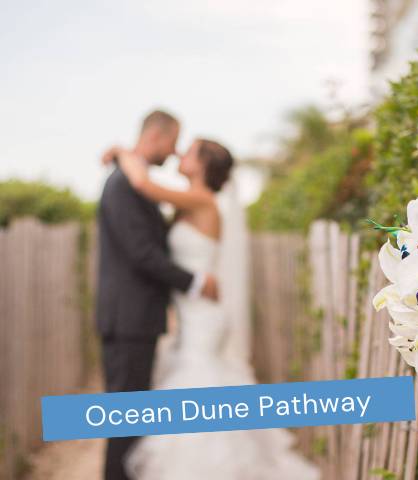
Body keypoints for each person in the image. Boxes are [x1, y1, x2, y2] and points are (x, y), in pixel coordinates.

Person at [104, 136, 320, 480]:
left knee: (198, 385)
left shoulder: (202, 200)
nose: (179, 153)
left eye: (187, 151)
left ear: (202, 165)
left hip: (203, 318)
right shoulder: (189, 204)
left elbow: (142, 182)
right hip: (194, 315)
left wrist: (120, 152)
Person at [96, 110, 219, 480]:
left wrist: (119, 151)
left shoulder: (136, 182)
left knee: (132, 419)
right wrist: (194, 282)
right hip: (128, 320)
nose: (176, 150)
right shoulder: (124, 184)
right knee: (125, 420)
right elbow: (142, 254)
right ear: (156, 136)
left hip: (136, 319)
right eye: (173, 140)